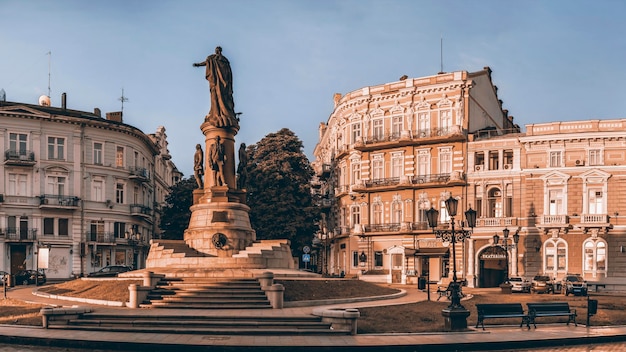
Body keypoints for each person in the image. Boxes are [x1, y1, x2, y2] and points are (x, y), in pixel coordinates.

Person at [193, 46, 238, 128]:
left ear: (220, 51)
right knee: (215, 96)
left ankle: (225, 113)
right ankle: (215, 113)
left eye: (218, 50)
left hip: (223, 82)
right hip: (215, 81)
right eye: (216, 50)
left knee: (224, 97)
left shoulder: (224, 60)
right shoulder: (212, 58)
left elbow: (228, 72)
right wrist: (198, 65)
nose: (217, 51)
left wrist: (227, 81)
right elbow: (206, 62)